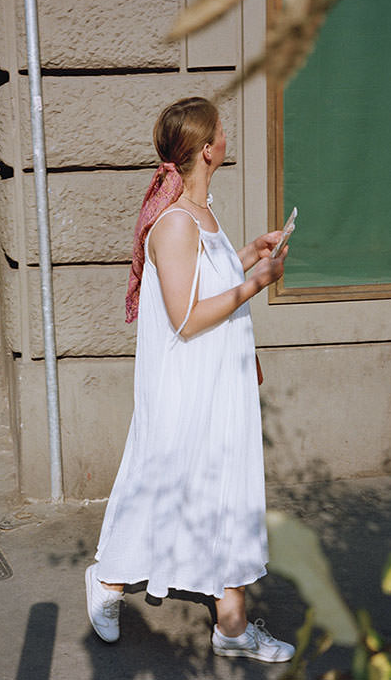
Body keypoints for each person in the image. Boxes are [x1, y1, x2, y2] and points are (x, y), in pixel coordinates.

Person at [85, 97, 294, 664]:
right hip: (186, 388)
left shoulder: (203, 215)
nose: (227, 137)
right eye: (221, 131)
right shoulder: (175, 222)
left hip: (218, 382)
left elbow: (210, 277)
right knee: (163, 481)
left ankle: (231, 625)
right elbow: (188, 315)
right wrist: (260, 283)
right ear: (207, 149)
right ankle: (106, 581)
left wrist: (251, 253)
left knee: (228, 489)